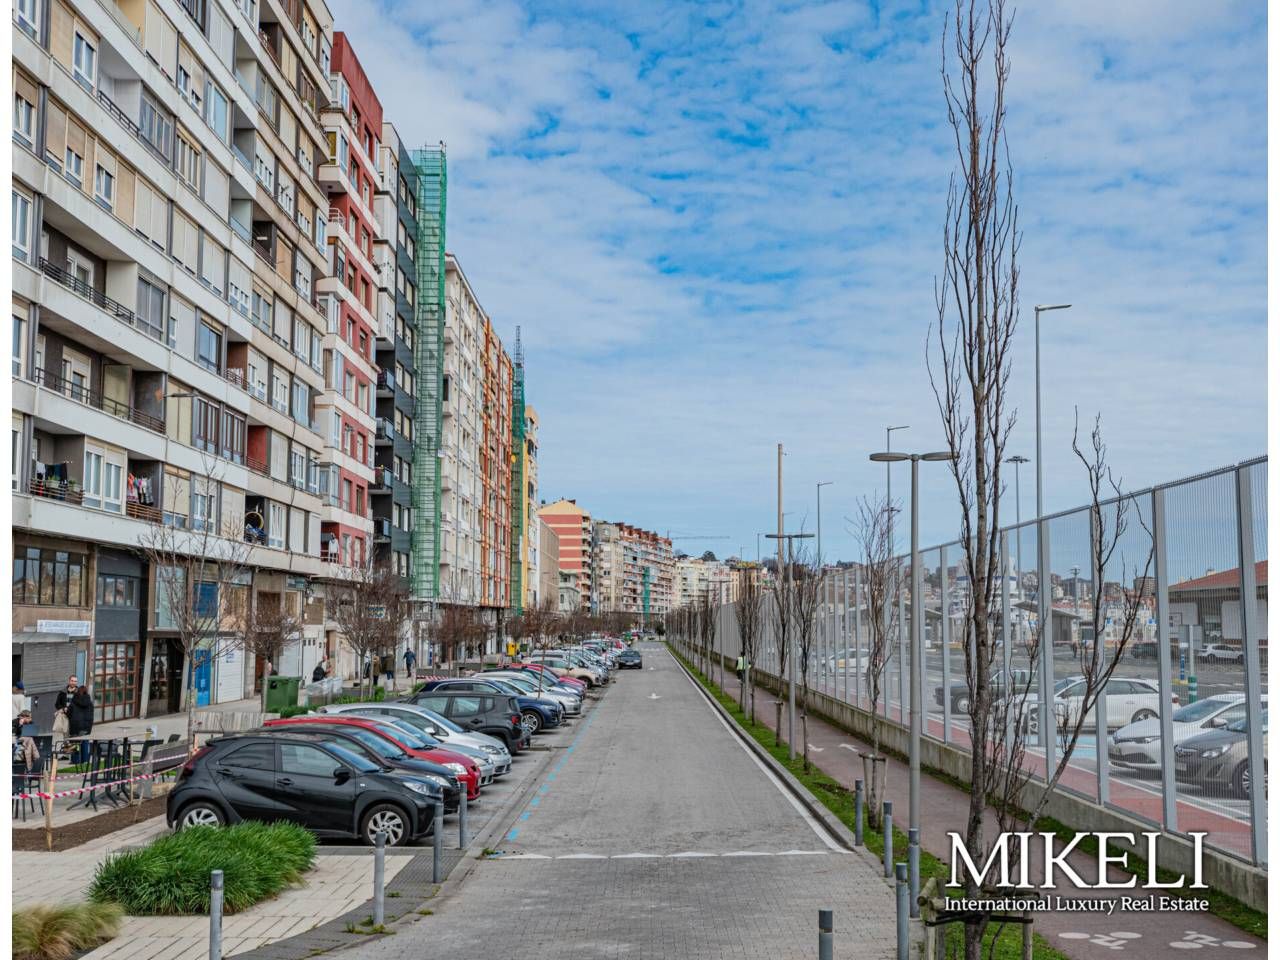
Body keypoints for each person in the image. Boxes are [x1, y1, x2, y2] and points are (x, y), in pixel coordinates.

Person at [68, 685, 95, 763]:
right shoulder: (89, 702)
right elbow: (91, 714)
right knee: (85, 742)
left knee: (75, 741)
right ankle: (85, 759)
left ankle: (75, 760)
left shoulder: (74, 701)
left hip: (75, 725)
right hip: (86, 725)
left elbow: (69, 713)